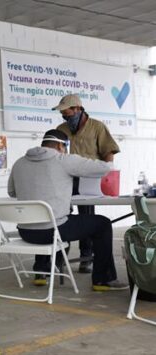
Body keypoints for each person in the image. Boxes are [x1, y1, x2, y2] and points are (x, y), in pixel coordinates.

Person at [7, 129, 127, 291]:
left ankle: (41, 272)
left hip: (26, 231)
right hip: (52, 231)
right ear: (59, 145)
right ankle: (102, 280)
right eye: (65, 147)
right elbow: (102, 168)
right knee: (102, 224)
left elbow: (12, 192)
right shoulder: (63, 160)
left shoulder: (19, 163)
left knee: (48, 218)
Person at [53, 94, 120, 273]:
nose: (64, 117)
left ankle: (87, 257)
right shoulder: (61, 129)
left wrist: (107, 173)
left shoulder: (97, 127)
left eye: (67, 114)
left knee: (87, 217)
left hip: (89, 180)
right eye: (63, 115)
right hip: (65, 178)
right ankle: (59, 258)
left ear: (77, 109)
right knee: (60, 215)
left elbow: (108, 152)